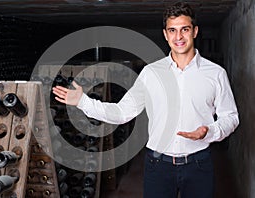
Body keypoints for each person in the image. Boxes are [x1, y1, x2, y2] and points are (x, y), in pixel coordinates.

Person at [52, 2, 239, 198]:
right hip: (158, 166)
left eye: (185, 29)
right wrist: (83, 101)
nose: (179, 37)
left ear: (195, 31)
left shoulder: (215, 73)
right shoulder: (151, 73)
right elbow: (123, 112)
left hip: (199, 163)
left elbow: (231, 117)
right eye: (172, 30)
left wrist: (209, 132)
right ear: (166, 34)